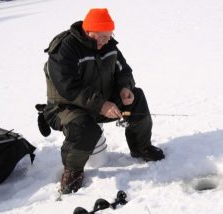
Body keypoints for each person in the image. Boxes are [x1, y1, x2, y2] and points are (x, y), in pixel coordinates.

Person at [42, 8, 165, 194]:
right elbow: (68, 87)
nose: (106, 41)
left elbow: (124, 71)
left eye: (109, 36)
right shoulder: (66, 48)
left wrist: (125, 88)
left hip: (101, 102)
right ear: (88, 31)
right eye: (102, 36)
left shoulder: (109, 45)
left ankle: (142, 148)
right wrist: (101, 105)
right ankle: (73, 170)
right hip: (66, 107)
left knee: (137, 97)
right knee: (84, 127)